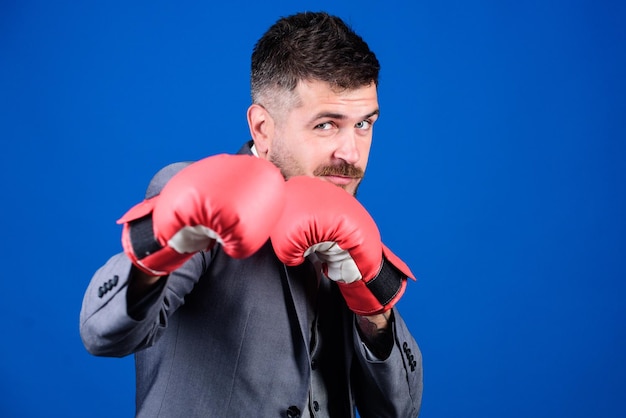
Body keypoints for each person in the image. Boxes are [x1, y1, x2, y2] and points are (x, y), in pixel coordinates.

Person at [80, 11, 423, 418]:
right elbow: (103, 334)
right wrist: (163, 238)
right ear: (263, 127)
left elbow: (398, 410)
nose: (351, 153)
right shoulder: (201, 199)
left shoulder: (347, 226)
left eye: (364, 123)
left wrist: (374, 313)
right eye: (327, 125)